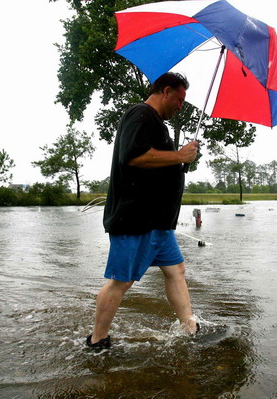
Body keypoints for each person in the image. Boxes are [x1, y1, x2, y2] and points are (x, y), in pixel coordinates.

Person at [86, 72, 200, 349]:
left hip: (158, 221)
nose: (180, 106)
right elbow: (134, 156)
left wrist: (184, 160)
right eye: (180, 99)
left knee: (176, 271)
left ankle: (190, 328)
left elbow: (158, 163)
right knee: (121, 282)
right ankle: (97, 340)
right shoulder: (141, 114)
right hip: (136, 218)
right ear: (166, 90)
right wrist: (179, 156)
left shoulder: (156, 124)